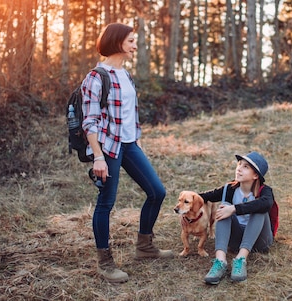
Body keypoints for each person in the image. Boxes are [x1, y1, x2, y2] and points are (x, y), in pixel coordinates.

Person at [81, 23, 173, 283]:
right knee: (106, 203)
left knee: (157, 192)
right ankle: (105, 262)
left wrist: (138, 144)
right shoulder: (96, 76)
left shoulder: (126, 75)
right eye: (131, 41)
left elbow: (131, 114)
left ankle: (144, 247)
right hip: (108, 147)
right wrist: (98, 156)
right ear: (117, 41)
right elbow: (90, 121)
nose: (135, 45)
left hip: (130, 144)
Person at [198, 151, 275, 284]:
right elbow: (206, 196)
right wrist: (187, 198)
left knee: (259, 208)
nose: (239, 168)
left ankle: (241, 259)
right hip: (235, 241)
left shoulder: (265, 191)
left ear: (256, 175)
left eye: (245, 167)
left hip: (259, 241)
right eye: (239, 164)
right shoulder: (230, 188)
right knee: (224, 206)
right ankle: (220, 261)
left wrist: (234, 209)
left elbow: (267, 203)